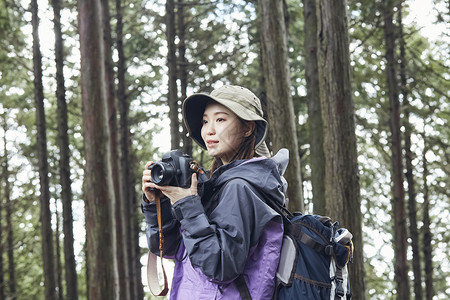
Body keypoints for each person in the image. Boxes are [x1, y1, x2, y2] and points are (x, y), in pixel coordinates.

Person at [141, 84, 289, 299]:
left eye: (220, 119)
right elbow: (172, 249)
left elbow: (220, 266)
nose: (209, 129)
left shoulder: (242, 187)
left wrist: (188, 206)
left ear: (248, 128)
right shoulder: (216, 187)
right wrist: (157, 204)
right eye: (204, 121)